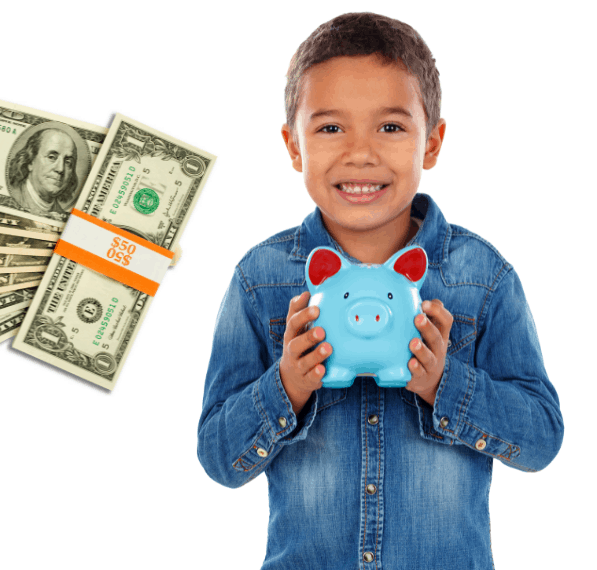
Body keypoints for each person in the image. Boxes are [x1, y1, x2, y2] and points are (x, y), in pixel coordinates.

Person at [197, 12, 563, 569]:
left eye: (390, 127)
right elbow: (219, 458)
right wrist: (286, 385)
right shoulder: (262, 278)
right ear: (293, 146)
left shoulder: (481, 276)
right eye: (330, 128)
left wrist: (445, 383)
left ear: (431, 142)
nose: (361, 153)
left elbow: (540, 439)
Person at [7, 128, 79, 222]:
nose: (60, 169)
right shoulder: (10, 200)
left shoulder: (63, 217)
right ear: (30, 161)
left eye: (68, 162)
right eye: (51, 157)